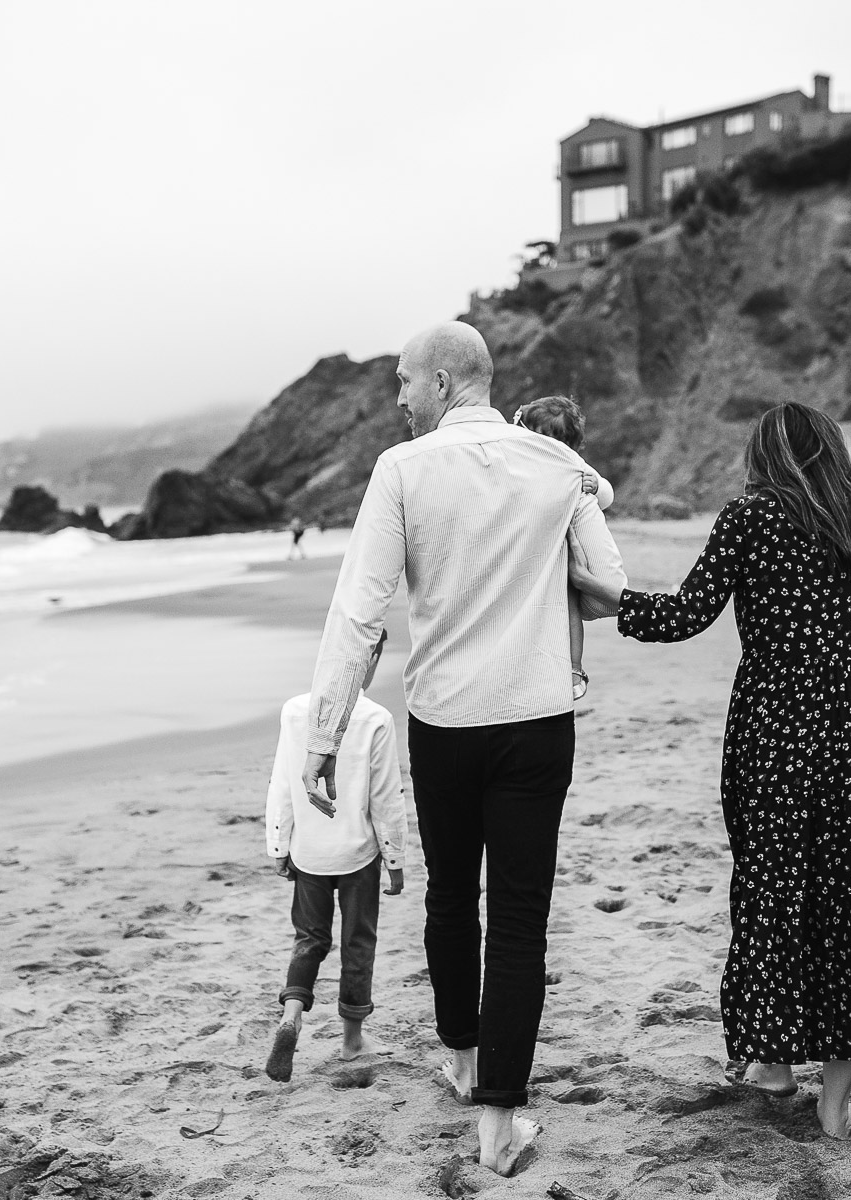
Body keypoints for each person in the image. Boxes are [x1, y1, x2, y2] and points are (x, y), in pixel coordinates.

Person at [569, 401, 851, 1140]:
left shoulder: (751, 517)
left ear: (765, 458)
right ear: (832, 452)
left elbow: (684, 614)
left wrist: (602, 589)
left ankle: (772, 1061)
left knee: (773, 894)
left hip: (773, 741)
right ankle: (835, 1104)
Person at [301, 321, 624, 1176]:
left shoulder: (401, 471)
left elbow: (359, 614)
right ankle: (499, 1125)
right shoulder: (558, 466)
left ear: (444, 382)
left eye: (404, 382)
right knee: (519, 918)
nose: (398, 398)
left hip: (445, 727)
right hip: (535, 722)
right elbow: (610, 589)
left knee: (452, 897)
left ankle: (463, 1059)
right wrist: (548, 559)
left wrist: (323, 735)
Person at [263, 630, 407, 1083]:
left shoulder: (295, 711)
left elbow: (284, 783)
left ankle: (292, 1014)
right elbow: (386, 797)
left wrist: (278, 845)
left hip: (309, 852)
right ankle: (350, 1041)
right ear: (373, 658)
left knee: (310, 938)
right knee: (358, 943)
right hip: (358, 854)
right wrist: (395, 858)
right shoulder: (376, 718)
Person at [513, 395, 613, 700]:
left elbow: (607, 495)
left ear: (570, 449)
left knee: (568, 604)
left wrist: (595, 485)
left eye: (555, 443)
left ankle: (573, 667)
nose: (545, 450)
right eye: (536, 439)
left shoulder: (575, 469)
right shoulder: (516, 456)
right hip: (530, 549)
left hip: (563, 551)